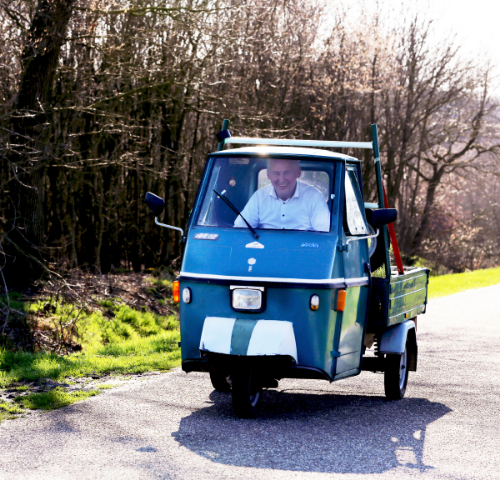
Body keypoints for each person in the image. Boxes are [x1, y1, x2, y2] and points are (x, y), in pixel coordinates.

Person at [234, 158, 330, 232]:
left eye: (287, 173)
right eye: (276, 173)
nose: (282, 179)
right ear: (268, 175)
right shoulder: (259, 196)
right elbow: (240, 229)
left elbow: (324, 234)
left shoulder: (314, 197)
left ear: (298, 173)